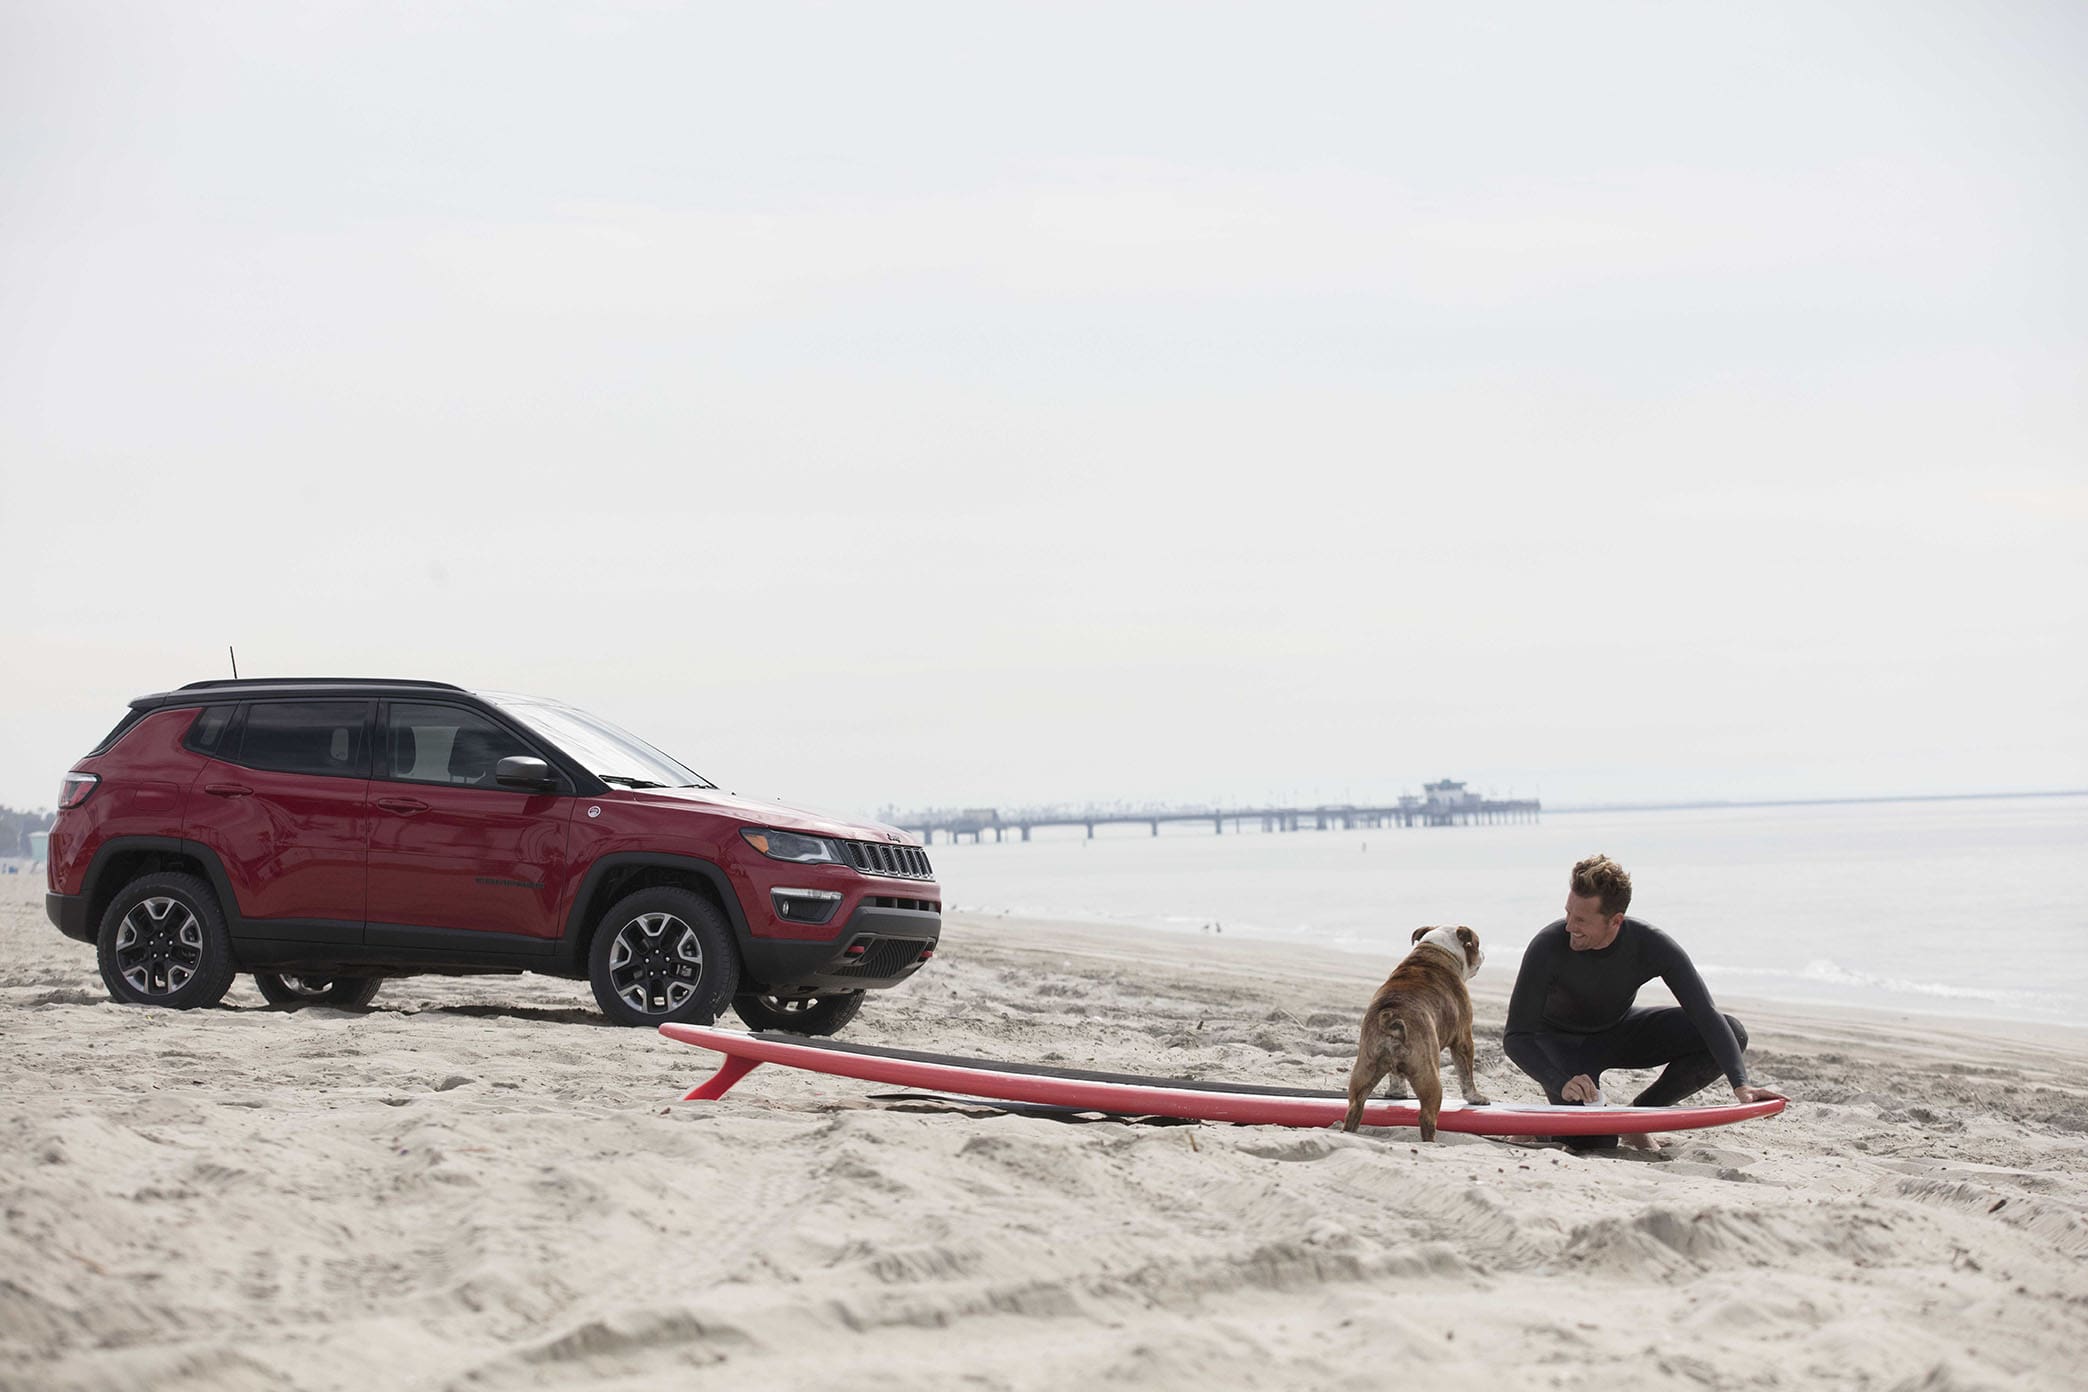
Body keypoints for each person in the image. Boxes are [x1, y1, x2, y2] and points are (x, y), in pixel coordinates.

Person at [1503, 853, 1785, 1152]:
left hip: (1618, 1031)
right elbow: (1516, 1037)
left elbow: (1705, 1014)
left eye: (1582, 919)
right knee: (1597, 1141)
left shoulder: (1649, 944)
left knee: (1733, 1031)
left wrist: (1740, 1084)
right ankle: (1540, 1132)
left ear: (1616, 920)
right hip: (1560, 1045)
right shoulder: (1548, 947)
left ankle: (1640, 1116)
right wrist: (1560, 1081)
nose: (1569, 926)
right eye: (1568, 913)